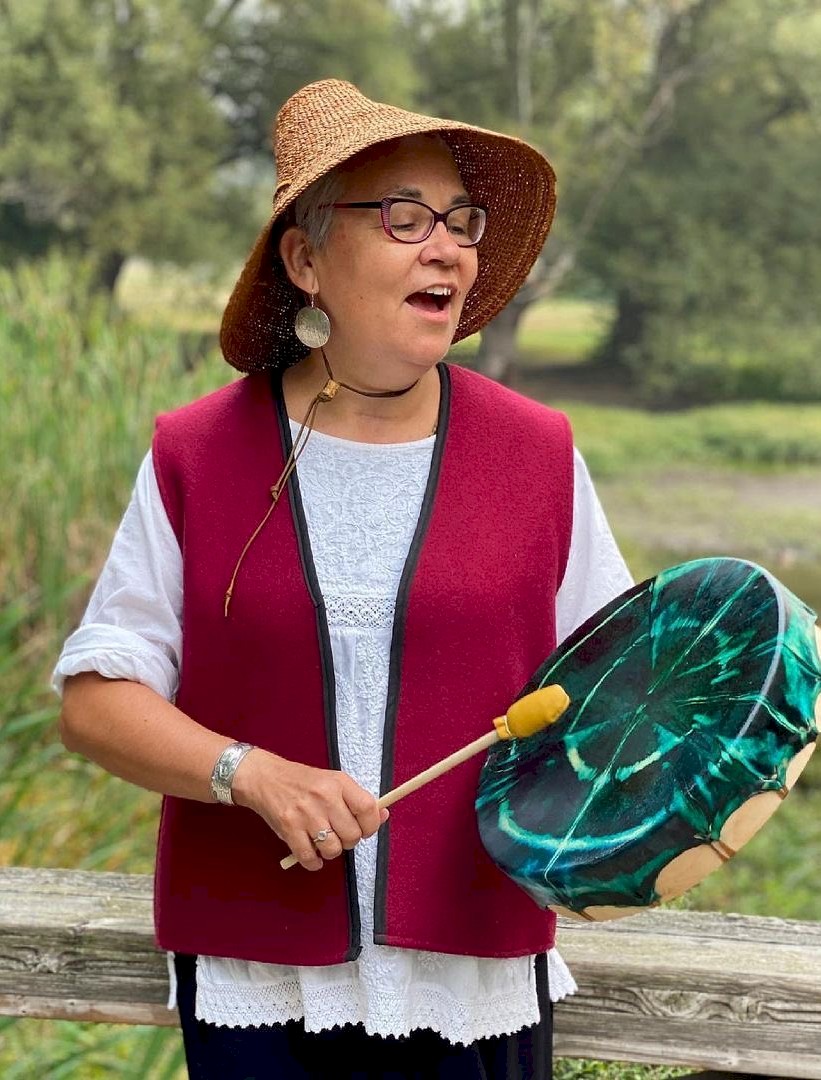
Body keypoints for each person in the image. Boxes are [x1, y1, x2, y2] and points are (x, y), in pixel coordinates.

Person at [55, 80, 633, 1079]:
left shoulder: (537, 452)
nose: (445, 246)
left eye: (462, 221)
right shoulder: (198, 452)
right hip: (255, 974)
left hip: (472, 980)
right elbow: (97, 701)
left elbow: (618, 686)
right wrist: (249, 775)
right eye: (403, 217)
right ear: (306, 258)